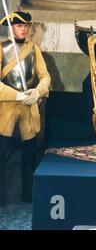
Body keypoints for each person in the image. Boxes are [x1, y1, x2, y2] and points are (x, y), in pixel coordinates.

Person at [0, 11, 51, 205]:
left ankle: (28, 194)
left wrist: (37, 92)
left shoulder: (34, 49)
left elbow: (45, 76)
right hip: (6, 108)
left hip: (28, 106)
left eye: (26, 26)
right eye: (19, 26)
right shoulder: (2, 48)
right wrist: (16, 95)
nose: (23, 29)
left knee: (30, 154)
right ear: (12, 27)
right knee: (2, 153)